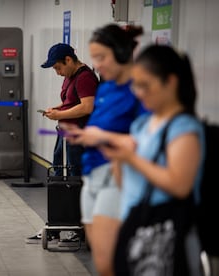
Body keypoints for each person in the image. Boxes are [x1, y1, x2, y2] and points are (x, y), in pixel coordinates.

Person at [66, 44, 204, 275]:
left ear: (170, 82)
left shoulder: (184, 129)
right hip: (137, 224)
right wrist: (117, 155)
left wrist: (130, 157)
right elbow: (125, 182)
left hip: (166, 231)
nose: (138, 93)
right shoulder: (142, 125)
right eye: (136, 85)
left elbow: (179, 185)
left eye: (145, 85)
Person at [62, 24, 145, 275]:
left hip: (116, 175)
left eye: (101, 58)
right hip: (93, 173)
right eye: (94, 58)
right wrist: (85, 135)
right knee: (100, 258)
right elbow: (99, 125)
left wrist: (103, 136)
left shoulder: (140, 88)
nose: (96, 66)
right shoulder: (107, 87)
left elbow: (146, 139)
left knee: (112, 260)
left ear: (121, 53)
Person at [26, 43, 98, 244]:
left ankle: (77, 226)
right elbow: (70, 101)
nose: (58, 73)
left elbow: (87, 107)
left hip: (78, 138)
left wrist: (60, 114)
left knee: (75, 180)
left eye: (58, 67)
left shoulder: (85, 78)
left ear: (68, 59)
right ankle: (58, 224)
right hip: (65, 135)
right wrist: (56, 109)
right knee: (59, 177)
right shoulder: (70, 77)